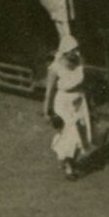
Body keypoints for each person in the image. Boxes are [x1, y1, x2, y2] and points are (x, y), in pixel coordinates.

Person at [43, 39, 95, 180]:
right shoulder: (55, 68)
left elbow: (84, 83)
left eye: (77, 49)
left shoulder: (79, 62)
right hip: (63, 103)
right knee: (70, 134)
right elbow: (48, 92)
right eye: (73, 50)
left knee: (82, 133)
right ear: (65, 51)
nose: (77, 52)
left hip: (79, 101)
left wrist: (89, 101)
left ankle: (71, 161)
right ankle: (68, 168)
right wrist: (46, 111)